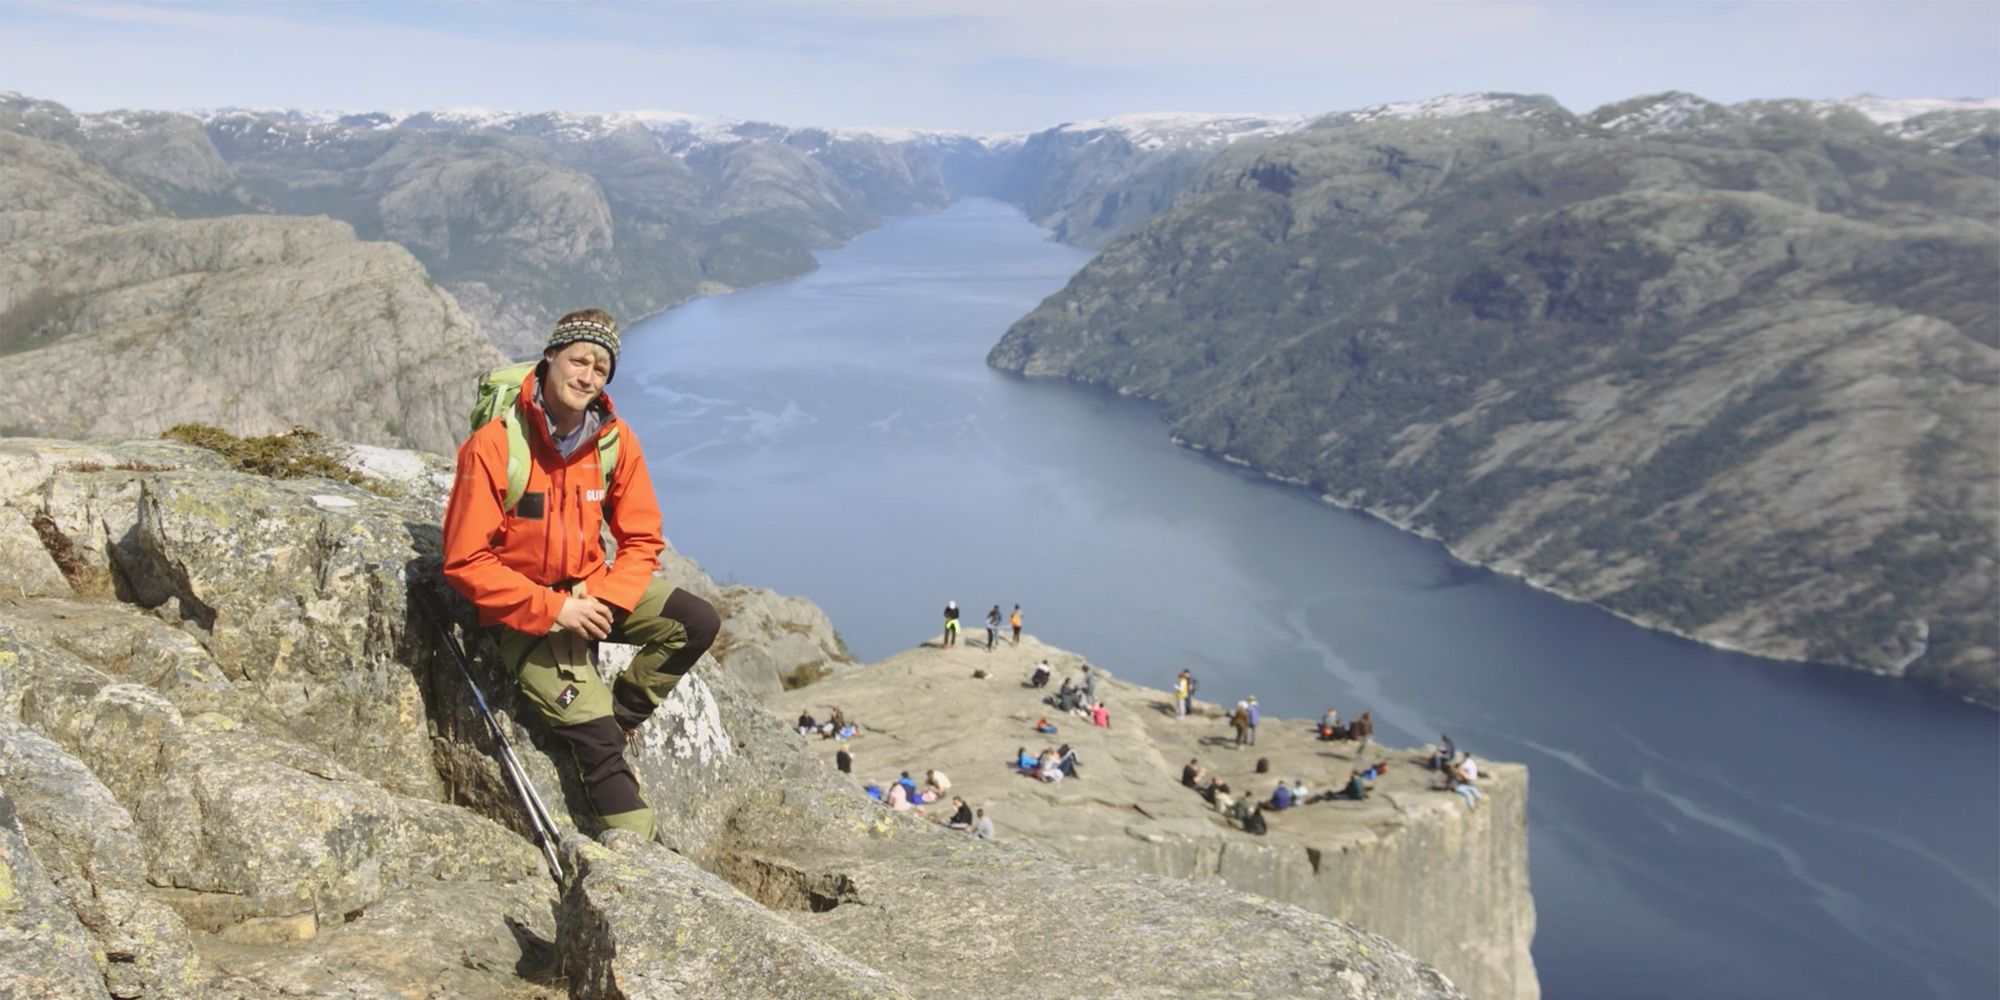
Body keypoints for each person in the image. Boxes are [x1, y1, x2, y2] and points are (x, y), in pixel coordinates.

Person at [443, 308, 720, 841]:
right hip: (525, 612)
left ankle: (621, 714)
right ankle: (639, 864)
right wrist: (558, 610)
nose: (587, 375)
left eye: (600, 367)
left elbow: (642, 540)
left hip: (590, 590)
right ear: (550, 358)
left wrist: (608, 603)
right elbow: (464, 561)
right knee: (600, 753)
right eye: (578, 360)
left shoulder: (613, 442)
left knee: (695, 621)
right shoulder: (497, 445)